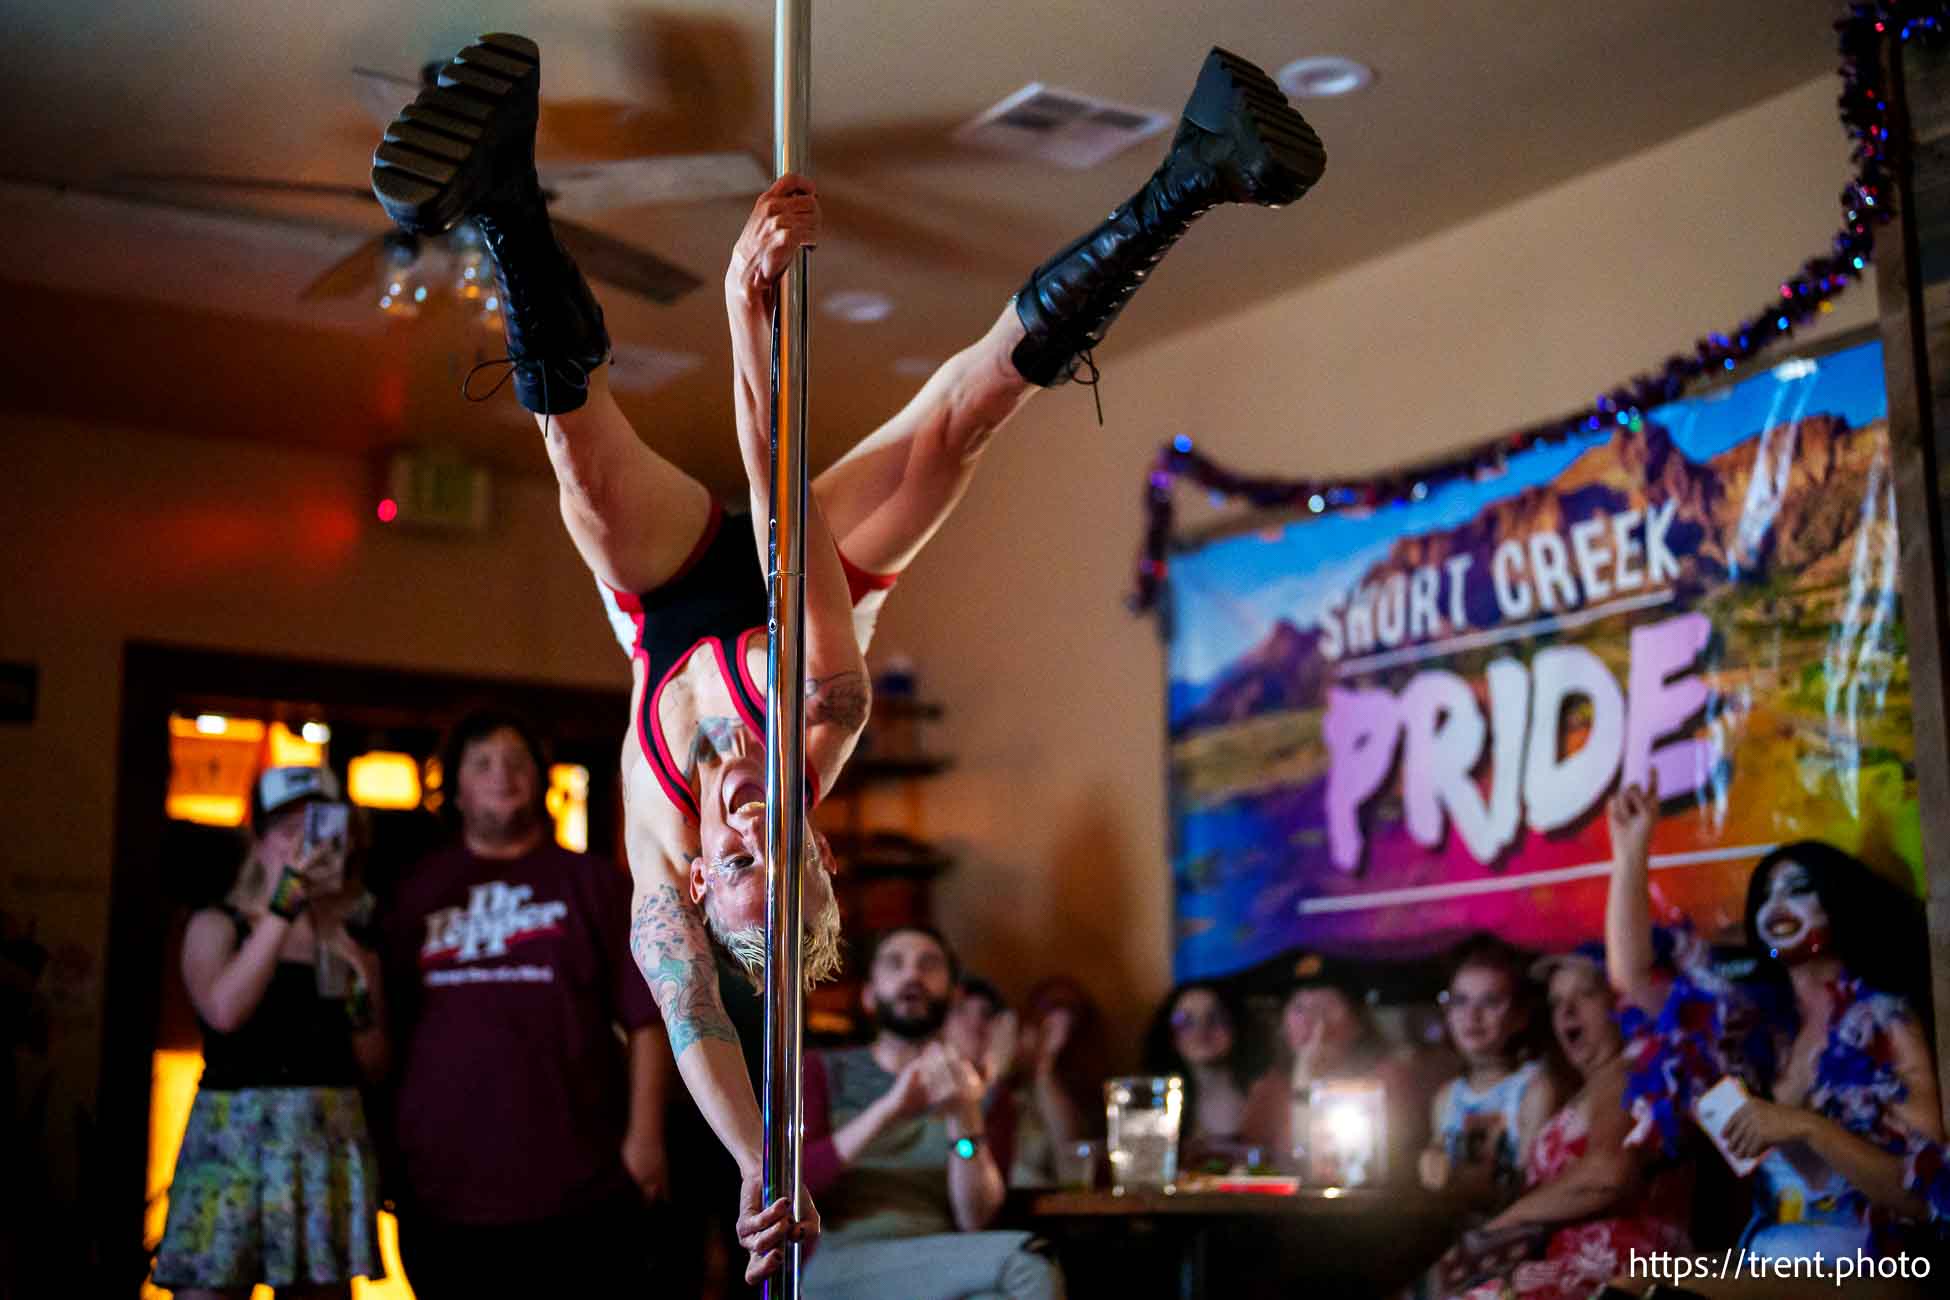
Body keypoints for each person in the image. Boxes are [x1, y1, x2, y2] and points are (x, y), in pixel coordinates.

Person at [369, 35, 1324, 1266]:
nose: (748, 822)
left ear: (705, 882)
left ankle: (503, 190)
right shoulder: (825, 707)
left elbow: (693, 1010)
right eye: (786, 843)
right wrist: (746, 321)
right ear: (819, 841)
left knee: (584, 477)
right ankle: (1200, 165)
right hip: (797, 573)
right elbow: (782, 521)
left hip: (662, 603)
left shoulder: (657, 849)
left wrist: (763, 1165)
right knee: (960, 420)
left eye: (738, 852)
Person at [379, 711, 675, 1298]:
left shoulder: (594, 884)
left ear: (542, 779)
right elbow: (384, 1031)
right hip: (440, 1186)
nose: (501, 776)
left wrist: (646, 1139)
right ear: (454, 788)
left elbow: (648, 1019)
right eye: (482, 763)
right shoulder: (415, 892)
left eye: (517, 762)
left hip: (578, 1185)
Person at [1604, 776, 1943, 1270]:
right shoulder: (1759, 1022)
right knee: (1640, 1284)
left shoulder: (1888, 1023)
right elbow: (1634, 980)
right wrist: (1631, 850)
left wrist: (1808, 1128)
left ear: (1839, 904)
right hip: (1768, 1251)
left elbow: (1922, 1195)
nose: (1777, 903)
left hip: (1871, 1262)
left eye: (1799, 888)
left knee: (1657, 1290)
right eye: (1766, 892)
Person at [152, 766, 386, 1298]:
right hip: (234, 1137)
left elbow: (374, 1062)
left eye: (318, 827)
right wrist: (286, 905)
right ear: (257, 842)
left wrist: (358, 980)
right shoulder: (217, 923)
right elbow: (224, 1012)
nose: (305, 843)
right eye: (286, 829)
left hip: (324, 1137)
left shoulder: (355, 937)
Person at [1412, 944, 1692, 1300]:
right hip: (1560, 1268)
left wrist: (1501, 1227)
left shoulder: (1627, 1071)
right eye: (1557, 1002)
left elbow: (1607, 1176)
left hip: (1618, 1275)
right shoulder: (1593, 1085)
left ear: (1619, 1003)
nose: (1567, 1012)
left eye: (1585, 994)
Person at [799, 927, 1061, 1299]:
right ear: (869, 996)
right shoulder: (822, 1071)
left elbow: (977, 1219)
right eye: (895, 964)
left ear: (953, 996)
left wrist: (964, 1115)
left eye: (929, 965)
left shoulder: (983, 1096)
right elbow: (797, 1184)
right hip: (841, 1260)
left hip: (942, 1261)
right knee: (1029, 1261)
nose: (912, 975)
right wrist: (888, 1111)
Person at [1417, 935, 1559, 1212]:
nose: (1472, 1015)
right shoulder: (1446, 1097)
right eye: (1460, 1001)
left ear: (1519, 1016)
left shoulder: (1535, 1088)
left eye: (1490, 1001)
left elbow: (1529, 1185)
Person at [1241, 963, 1420, 1179]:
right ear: (1283, 1023)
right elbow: (1251, 1161)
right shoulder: (1270, 1088)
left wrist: (1308, 1083)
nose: (1312, 1021)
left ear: (1358, 1022)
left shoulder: (1384, 1081)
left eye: (1327, 1007)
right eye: (1299, 1008)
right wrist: (1303, 1078)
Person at [1141, 981, 1259, 1169]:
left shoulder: (1266, 1094)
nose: (1201, 1031)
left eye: (1215, 1018)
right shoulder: (1152, 1103)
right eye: (1185, 1021)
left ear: (1237, 1025)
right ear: (1169, 1034)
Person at [1005, 977, 1109, 1187]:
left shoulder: (1091, 1097)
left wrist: (1046, 1066)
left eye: (1070, 1014)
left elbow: (1070, 1156)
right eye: (1045, 1012)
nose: (1056, 1030)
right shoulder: (1003, 1090)